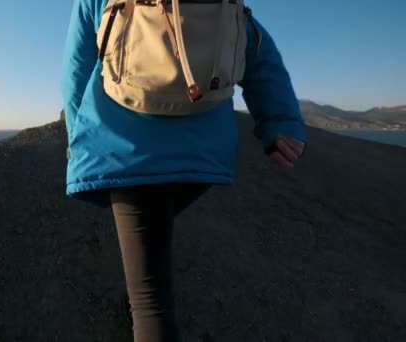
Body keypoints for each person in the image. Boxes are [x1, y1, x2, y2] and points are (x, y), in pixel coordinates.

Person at [61, 0, 308, 341]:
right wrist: (281, 122)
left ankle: (139, 303)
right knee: (156, 229)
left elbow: (76, 67)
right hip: (203, 156)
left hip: (127, 150)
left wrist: (79, 141)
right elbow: (258, 52)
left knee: (151, 302)